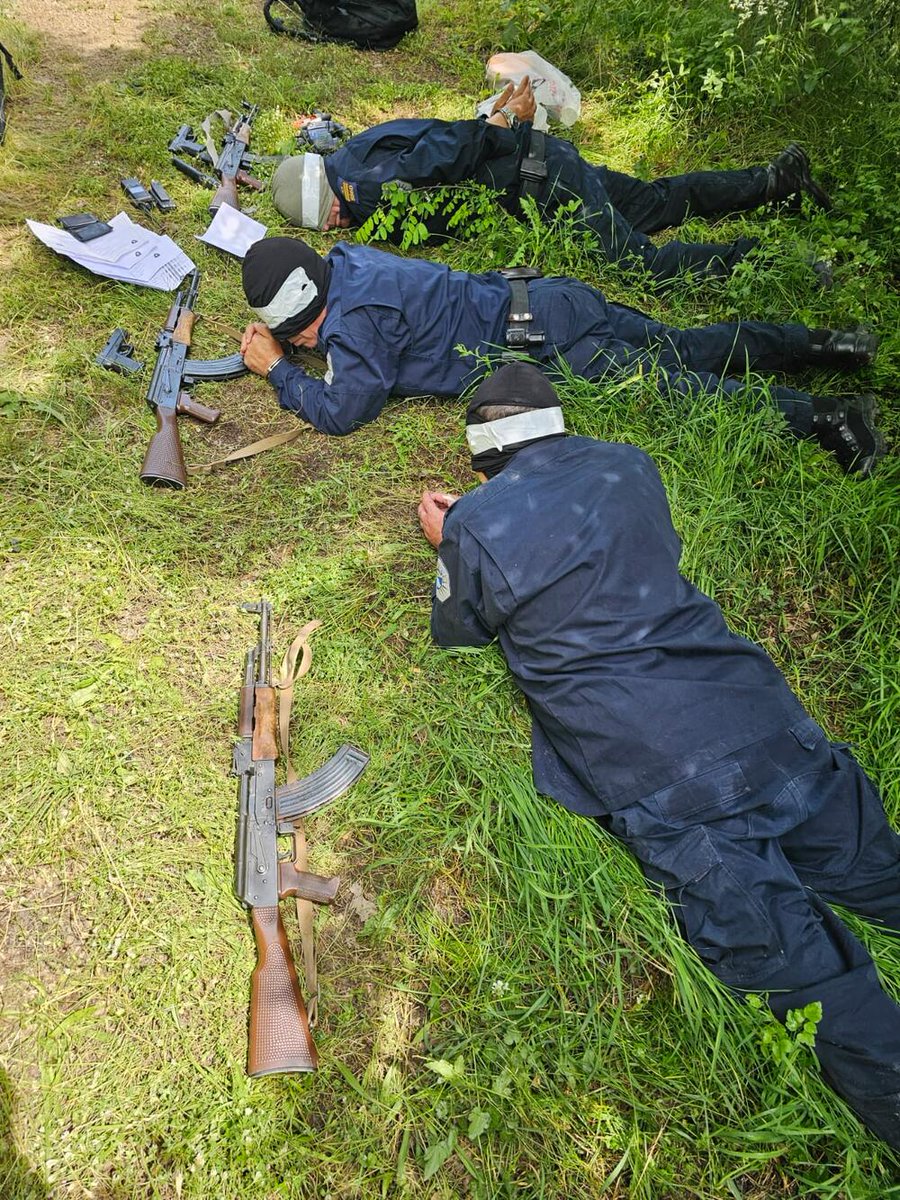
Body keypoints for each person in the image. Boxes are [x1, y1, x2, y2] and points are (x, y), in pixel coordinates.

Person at [416, 361, 900, 1150]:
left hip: (661, 771)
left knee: (801, 971)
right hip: (764, 722)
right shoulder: (628, 463)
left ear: (483, 461)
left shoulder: (477, 523)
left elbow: (460, 629)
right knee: (880, 871)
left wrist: (453, 538)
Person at [240, 236, 884, 475]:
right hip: (551, 297)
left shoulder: (355, 326)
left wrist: (278, 371)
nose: (305, 345)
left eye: (300, 335)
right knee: (686, 346)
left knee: (677, 386)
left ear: (306, 318)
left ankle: (828, 418)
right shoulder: (349, 262)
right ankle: (825, 343)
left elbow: (344, 410)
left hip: (553, 343)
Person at [270, 78, 832, 285]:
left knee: (642, 265)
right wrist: (497, 122)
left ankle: (779, 263)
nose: (338, 226)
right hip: (545, 158)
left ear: (328, 205)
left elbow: (439, 157)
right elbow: (440, 143)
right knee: (658, 201)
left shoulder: (366, 188)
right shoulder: (357, 149)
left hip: (546, 183)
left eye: (329, 220)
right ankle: (773, 181)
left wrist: (497, 122)